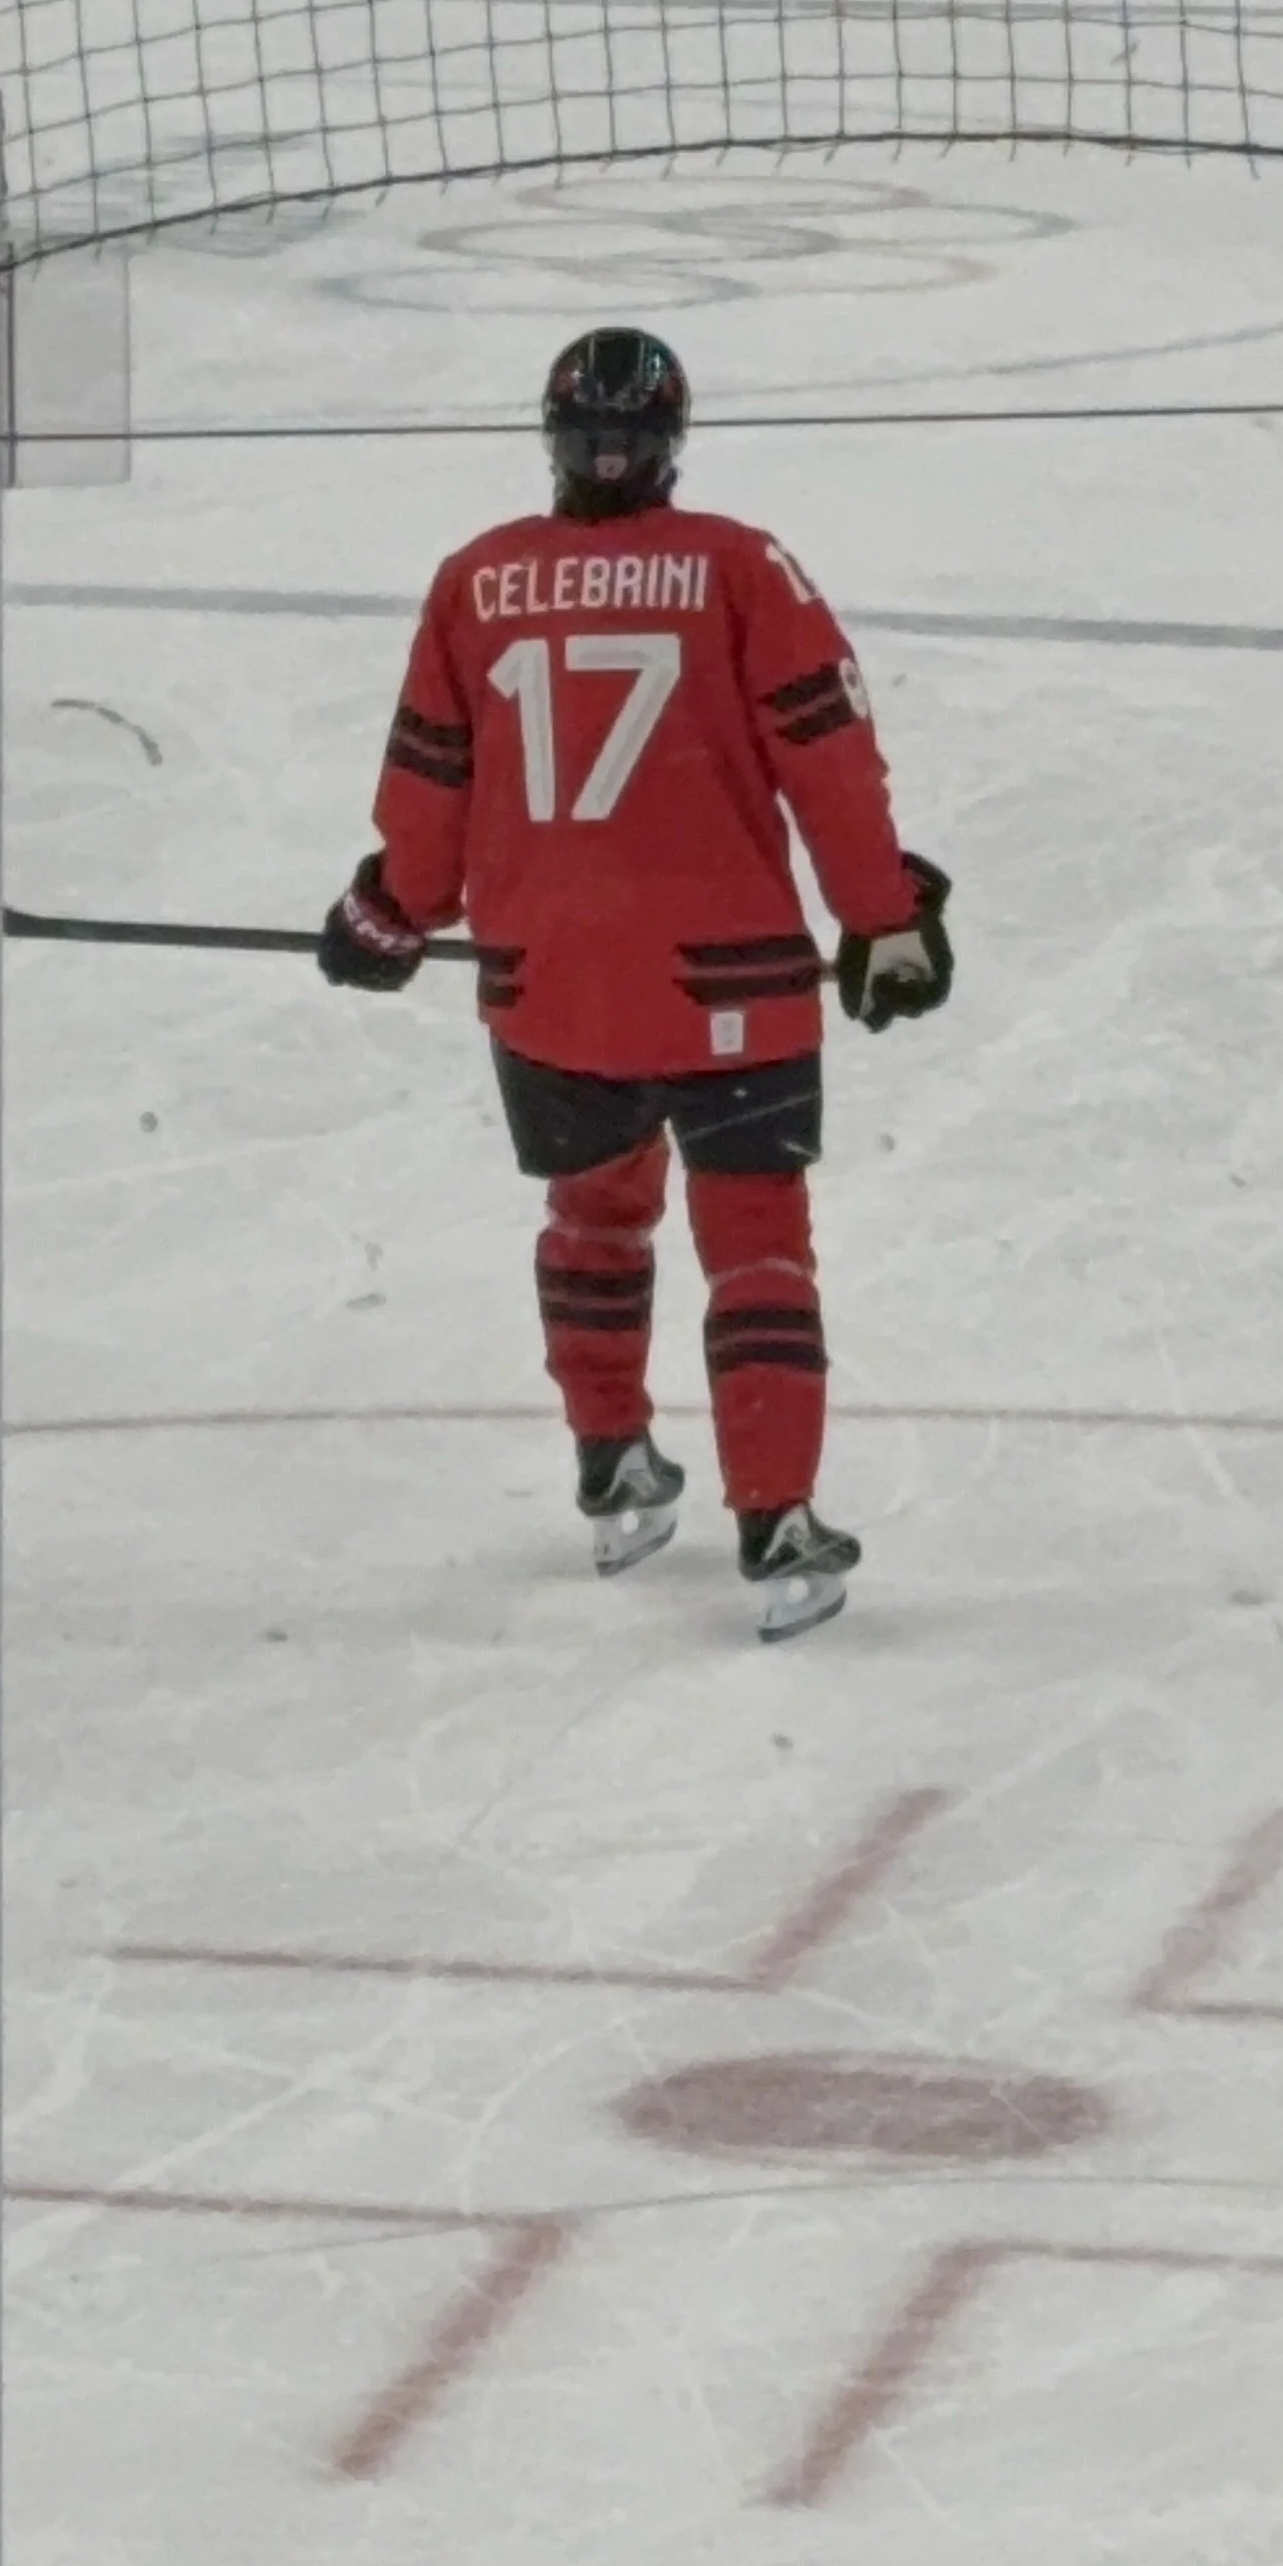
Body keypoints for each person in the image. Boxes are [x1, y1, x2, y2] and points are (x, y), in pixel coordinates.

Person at [318, 327, 953, 1640]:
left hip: (552, 981)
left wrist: (388, 910)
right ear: (674, 445)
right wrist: (885, 917)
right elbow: (827, 759)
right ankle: (775, 1520)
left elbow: (432, 789)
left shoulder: (474, 580)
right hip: (731, 978)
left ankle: (614, 1464)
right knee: (757, 1245)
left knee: (595, 1217)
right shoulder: (738, 566)